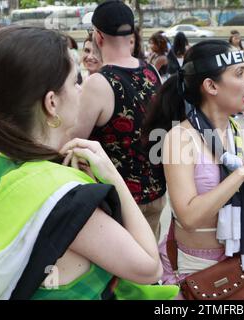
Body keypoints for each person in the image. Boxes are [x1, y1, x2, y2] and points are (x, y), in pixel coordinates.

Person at [0, 26, 164, 300]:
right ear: (51, 103)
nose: (80, 88)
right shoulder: (66, 199)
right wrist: (113, 176)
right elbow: (151, 268)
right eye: (75, 81)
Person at [143, 40, 244, 299]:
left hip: (234, 258)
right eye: (239, 73)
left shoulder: (233, 128)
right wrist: (241, 175)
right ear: (211, 86)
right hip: (196, 268)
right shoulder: (180, 137)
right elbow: (189, 217)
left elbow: (223, 190)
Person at [74, 0, 167, 241]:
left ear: (98, 36)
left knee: (121, 276)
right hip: (155, 194)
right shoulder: (152, 72)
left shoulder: (98, 83)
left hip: (118, 203)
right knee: (147, 266)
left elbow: (75, 141)